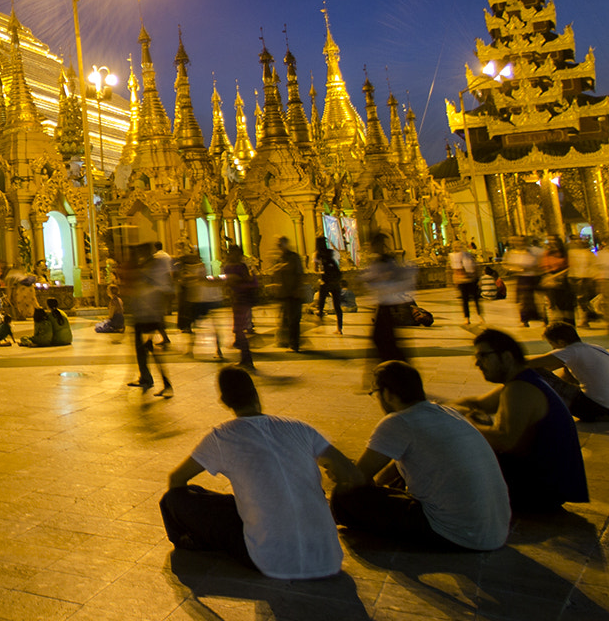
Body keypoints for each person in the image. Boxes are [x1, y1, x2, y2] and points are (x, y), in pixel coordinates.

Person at [160, 365, 360, 579]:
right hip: (328, 556)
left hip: (270, 559)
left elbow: (176, 479)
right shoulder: (300, 428)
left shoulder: (222, 436)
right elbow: (352, 474)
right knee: (236, 500)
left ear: (224, 402)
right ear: (256, 393)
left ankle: (190, 539)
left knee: (175, 499)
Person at [332, 361, 511, 551]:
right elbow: (389, 470)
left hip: (457, 533)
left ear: (387, 393)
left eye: (375, 393)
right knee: (399, 479)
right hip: (495, 530)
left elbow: (357, 479)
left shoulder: (398, 421)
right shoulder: (448, 412)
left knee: (343, 495)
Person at [456, 328, 588, 514]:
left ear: (507, 357)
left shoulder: (521, 389)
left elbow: (505, 440)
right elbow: (478, 403)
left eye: (483, 356)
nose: (477, 363)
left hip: (539, 493)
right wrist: (445, 409)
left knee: (456, 442)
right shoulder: (522, 381)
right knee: (473, 421)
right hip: (546, 487)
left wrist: (464, 423)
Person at [526, 323, 609, 421]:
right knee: (565, 369)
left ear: (561, 341)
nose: (552, 348)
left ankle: (528, 409)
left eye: (552, 344)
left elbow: (528, 363)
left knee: (531, 370)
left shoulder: (571, 351)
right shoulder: (596, 348)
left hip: (598, 410)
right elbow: (553, 366)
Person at [362, 235, 416, 379]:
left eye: (371, 244)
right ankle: (393, 371)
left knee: (382, 339)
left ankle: (396, 371)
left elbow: (395, 278)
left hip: (388, 304)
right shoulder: (382, 260)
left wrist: (378, 279)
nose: (369, 247)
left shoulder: (386, 260)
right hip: (384, 303)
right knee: (384, 339)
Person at [127, 245, 174, 396]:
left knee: (151, 351)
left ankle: (166, 384)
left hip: (149, 315)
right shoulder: (149, 267)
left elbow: (161, 290)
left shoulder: (155, 268)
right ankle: (146, 377)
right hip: (143, 315)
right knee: (143, 350)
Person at [222, 245, 257, 369]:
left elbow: (240, 280)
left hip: (241, 299)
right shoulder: (234, 266)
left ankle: (246, 358)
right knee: (238, 328)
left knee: (238, 329)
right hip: (237, 299)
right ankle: (245, 357)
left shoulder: (236, 266)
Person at [273, 236, 306, 352]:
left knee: (294, 320)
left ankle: (294, 344)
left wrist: (299, 289)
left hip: (294, 293)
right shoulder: (281, 258)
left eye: (280, 244)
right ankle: (287, 341)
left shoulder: (293, 257)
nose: (278, 246)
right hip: (285, 293)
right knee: (285, 319)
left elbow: (298, 273)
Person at [314, 238, 345, 334]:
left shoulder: (317, 254)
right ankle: (339, 328)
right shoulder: (331, 252)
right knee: (337, 306)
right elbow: (338, 262)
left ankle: (320, 318)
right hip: (335, 282)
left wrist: (321, 273)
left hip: (326, 282)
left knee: (321, 302)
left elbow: (315, 269)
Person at [450, 243, 483, 323]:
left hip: (471, 280)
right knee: (465, 300)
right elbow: (454, 270)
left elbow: (474, 266)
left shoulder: (468, 255)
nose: (457, 248)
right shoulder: (453, 257)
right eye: (455, 247)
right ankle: (467, 317)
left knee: (476, 299)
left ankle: (480, 315)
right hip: (462, 281)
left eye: (459, 246)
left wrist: (477, 277)